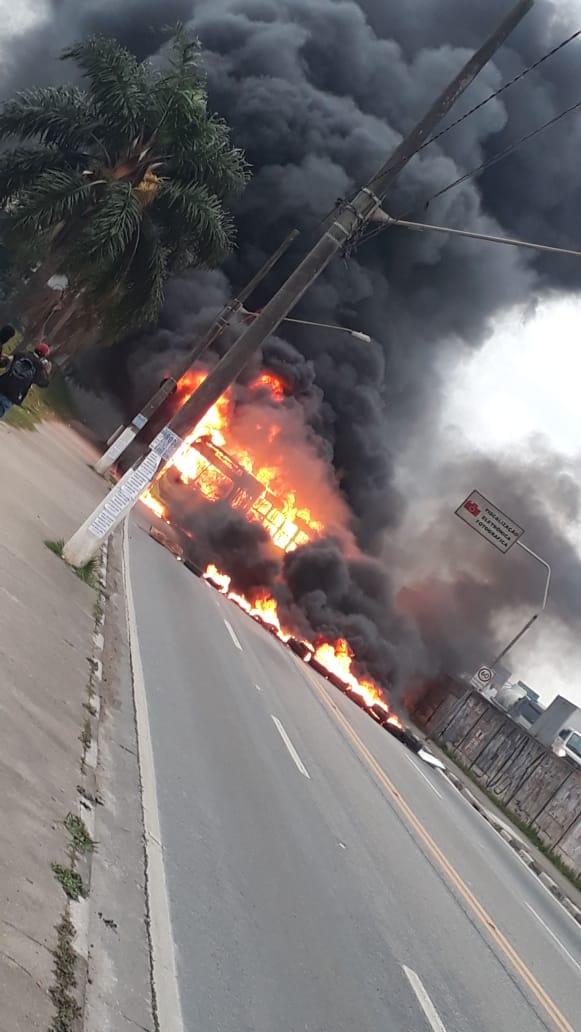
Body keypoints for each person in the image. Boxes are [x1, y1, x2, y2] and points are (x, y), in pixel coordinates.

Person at [0, 337, 52, 419]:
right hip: (14, 394)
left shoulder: (21, 354)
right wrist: (46, 372)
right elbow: (44, 383)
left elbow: (4, 362)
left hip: (2, 384)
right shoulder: (39, 367)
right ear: (44, 355)